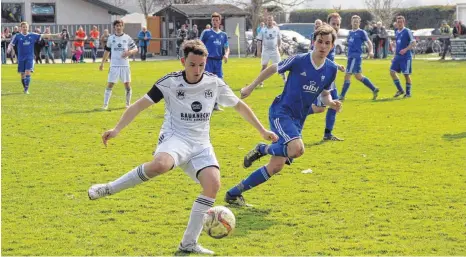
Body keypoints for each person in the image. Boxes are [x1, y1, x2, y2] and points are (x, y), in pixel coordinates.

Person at [88, 39, 278, 255]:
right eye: (192, 65)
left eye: (201, 65)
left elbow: (240, 106)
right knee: (160, 165)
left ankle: (188, 244)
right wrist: (116, 129)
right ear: (183, 62)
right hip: (174, 137)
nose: (197, 70)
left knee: (213, 185)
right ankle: (109, 188)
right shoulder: (169, 82)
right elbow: (139, 105)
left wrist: (262, 131)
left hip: (200, 144)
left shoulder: (214, 83)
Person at [224, 24, 341, 206]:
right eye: (320, 42)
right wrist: (251, 86)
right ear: (313, 42)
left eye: (327, 43)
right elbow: (272, 69)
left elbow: (325, 95)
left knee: (276, 166)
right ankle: (262, 149)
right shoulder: (299, 60)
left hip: (298, 120)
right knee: (297, 149)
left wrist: (331, 103)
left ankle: (233, 194)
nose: (323, 46)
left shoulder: (331, 69)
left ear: (332, 46)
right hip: (281, 112)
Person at [309, 12, 346, 141]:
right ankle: (292, 113)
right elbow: (315, 55)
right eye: (333, 24)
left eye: (338, 24)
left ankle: (328, 134)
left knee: (334, 103)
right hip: (320, 78)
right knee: (319, 108)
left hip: (329, 79)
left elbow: (328, 60)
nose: (336, 26)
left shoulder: (332, 40)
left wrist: (336, 65)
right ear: (328, 23)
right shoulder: (323, 37)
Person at [7, 21, 59, 94]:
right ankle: (25, 87)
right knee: (22, 74)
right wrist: (9, 49)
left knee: (28, 72)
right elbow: (11, 44)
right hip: (21, 58)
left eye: (26, 27)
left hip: (30, 57)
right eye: (23, 27)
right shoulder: (17, 36)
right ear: (21, 28)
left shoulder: (32, 35)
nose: (25, 28)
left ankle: (26, 89)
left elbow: (43, 35)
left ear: (28, 28)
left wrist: (55, 35)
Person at [99, 19, 138, 110]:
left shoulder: (127, 38)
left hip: (125, 65)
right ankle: (105, 105)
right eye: (117, 26)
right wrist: (102, 63)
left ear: (122, 27)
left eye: (120, 26)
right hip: (114, 65)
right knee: (110, 84)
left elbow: (135, 48)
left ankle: (128, 104)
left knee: (127, 85)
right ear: (114, 27)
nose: (119, 27)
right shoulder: (111, 38)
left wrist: (129, 52)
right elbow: (107, 51)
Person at [339, 15, 379, 101]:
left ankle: (341, 96)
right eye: (354, 21)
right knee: (358, 76)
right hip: (350, 57)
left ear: (359, 23)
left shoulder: (362, 32)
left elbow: (369, 42)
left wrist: (371, 51)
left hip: (355, 57)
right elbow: (350, 43)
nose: (355, 23)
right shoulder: (350, 33)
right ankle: (374, 89)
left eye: (357, 21)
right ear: (351, 22)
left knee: (347, 75)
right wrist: (345, 43)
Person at [200, 12, 230, 111]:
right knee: (207, 82)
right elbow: (200, 45)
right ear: (211, 21)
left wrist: (226, 54)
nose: (215, 22)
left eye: (217, 20)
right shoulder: (206, 33)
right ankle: (205, 103)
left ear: (220, 21)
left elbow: (226, 47)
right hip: (208, 61)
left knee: (219, 82)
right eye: (213, 20)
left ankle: (215, 104)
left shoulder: (223, 35)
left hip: (218, 62)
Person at [390, 16, 416, 98]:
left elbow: (413, 43)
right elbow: (397, 45)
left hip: (406, 57)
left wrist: (406, 49)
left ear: (403, 22)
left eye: (401, 22)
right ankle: (400, 90)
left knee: (406, 74)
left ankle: (408, 93)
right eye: (398, 22)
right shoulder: (397, 32)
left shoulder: (407, 31)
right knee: (392, 72)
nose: (399, 23)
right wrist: (394, 56)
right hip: (397, 57)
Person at [256, 15, 285, 86]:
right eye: (268, 20)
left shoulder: (276, 29)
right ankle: (260, 81)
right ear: (266, 21)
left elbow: (279, 39)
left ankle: (285, 80)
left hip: (275, 50)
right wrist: (258, 51)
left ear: (272, 21)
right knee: (264, 66)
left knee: (280, 65)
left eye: (271, 20)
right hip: (266, 51)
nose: (269, 21)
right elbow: (259, 41)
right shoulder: (263, 30)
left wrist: (279, 47)